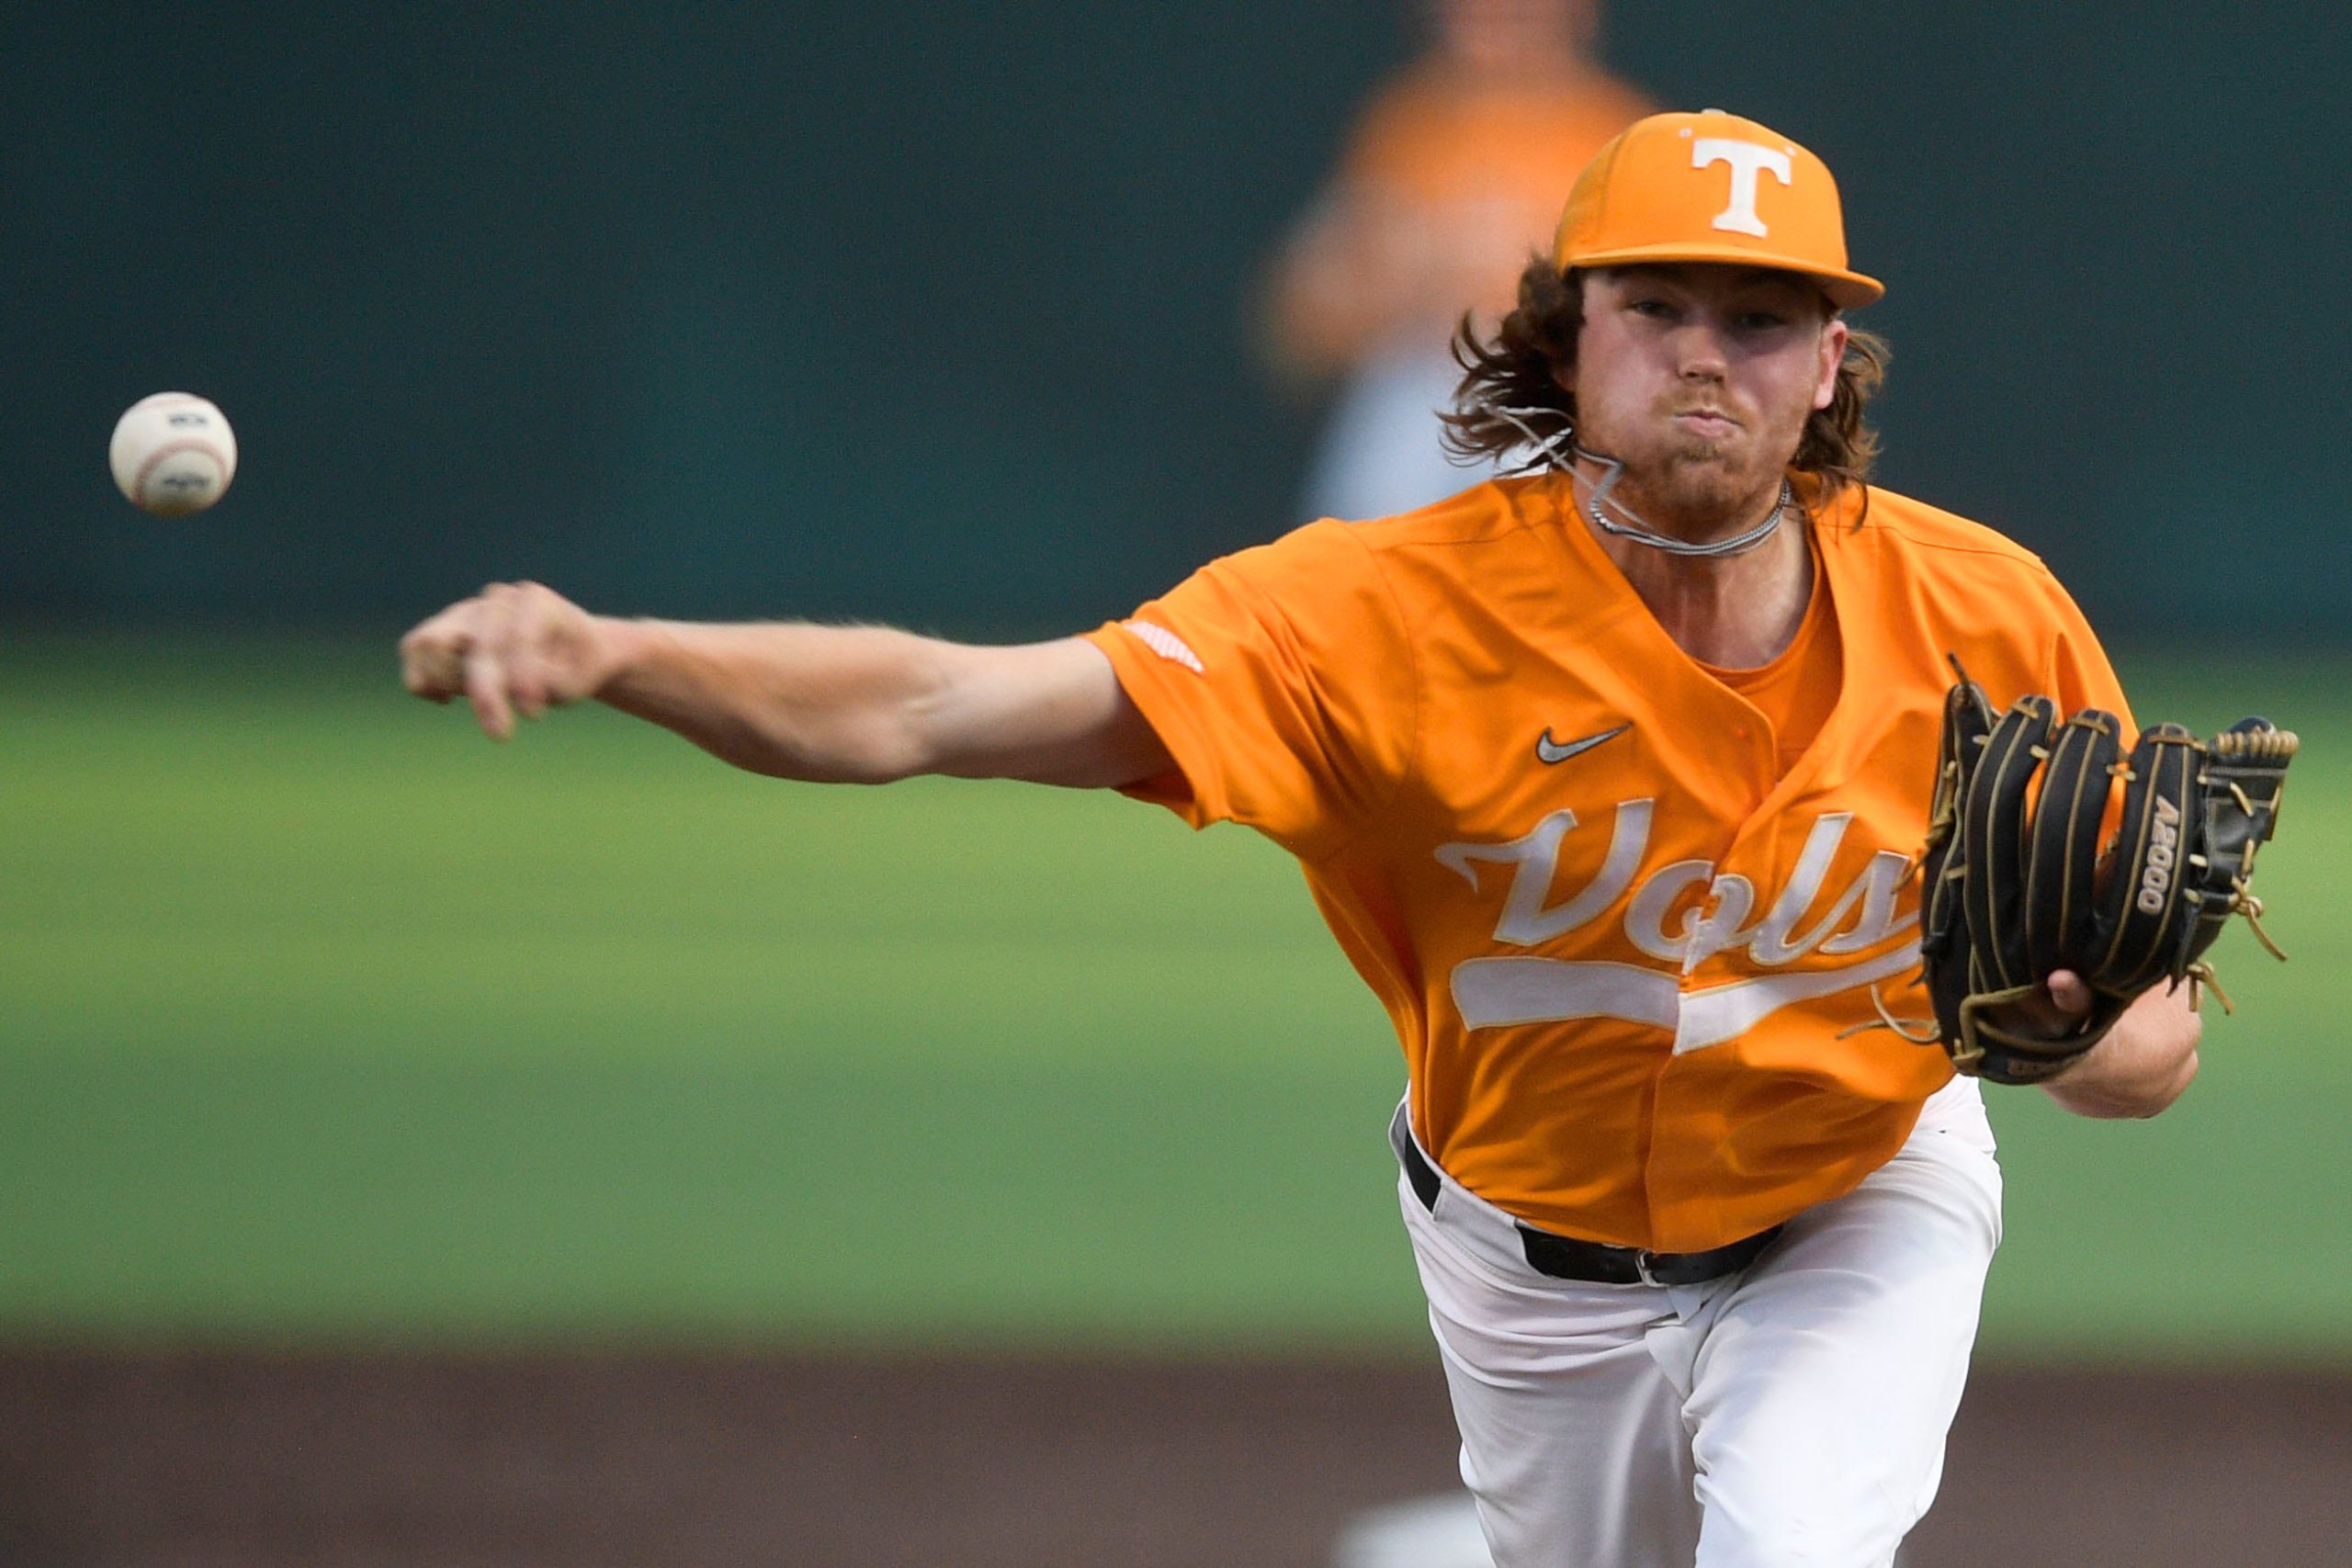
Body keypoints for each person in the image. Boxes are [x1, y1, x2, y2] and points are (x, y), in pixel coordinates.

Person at [400, 109, 2201, 1568]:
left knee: (1792, 1541)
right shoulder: (1375, 614)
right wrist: (620, 649)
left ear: (1827, 364)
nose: (1706, 359)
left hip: (1856, 1201)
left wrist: (2078, 1035)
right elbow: (931, 706)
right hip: (1524, 1257)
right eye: (1658, 307)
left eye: (1758, 319)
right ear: (1568, 337)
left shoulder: (1981, 612)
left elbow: (2143, 1043)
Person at [1265, 0, 1650, 521]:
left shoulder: (1619, 140)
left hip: (1550, 395)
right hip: (1418, 385)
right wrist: (1398, 280)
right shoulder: (1406, 131)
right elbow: (1300, 329)